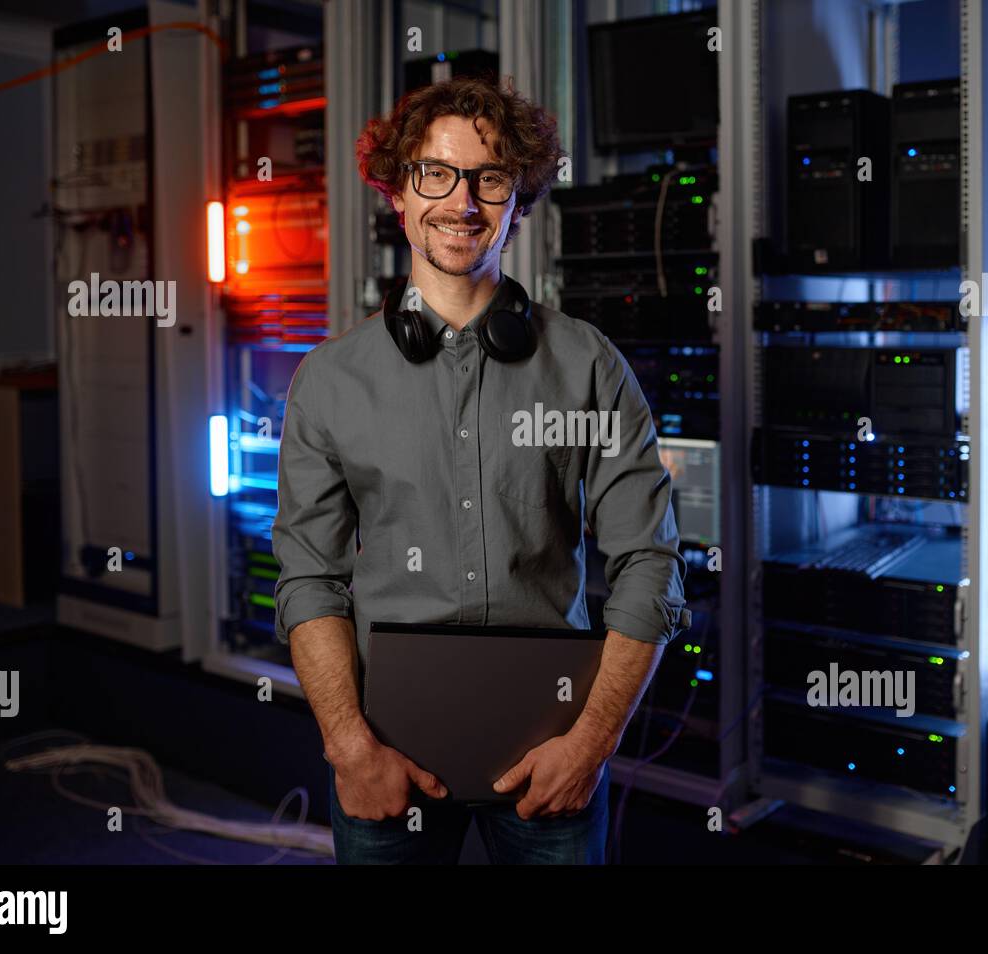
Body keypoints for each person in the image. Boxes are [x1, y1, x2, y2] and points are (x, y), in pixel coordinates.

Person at [271, 76, 690, 865]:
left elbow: (651, 566)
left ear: (520, 204)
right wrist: (349, 749)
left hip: (553, 749)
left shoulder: (590, 366)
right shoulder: (329, 380)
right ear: (399, 193)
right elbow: (307, 578)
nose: (461, 202)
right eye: (435, 173)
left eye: (490, 179)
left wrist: (592, 742)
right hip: (382, 752)